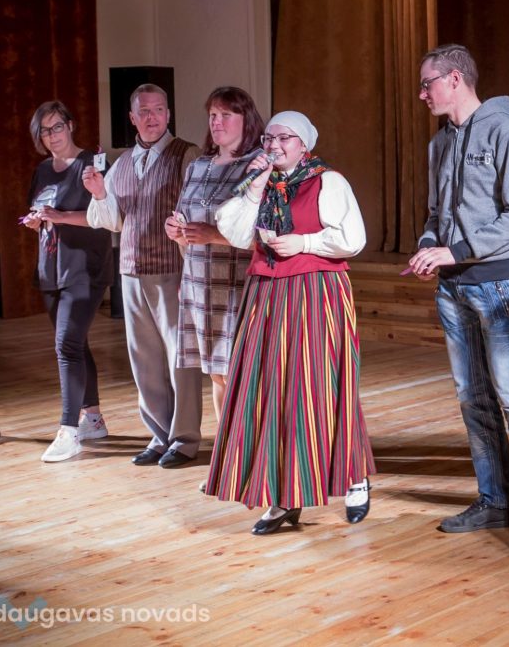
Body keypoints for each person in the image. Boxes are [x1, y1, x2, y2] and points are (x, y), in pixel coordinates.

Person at [407, 44, 509, 558]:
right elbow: (436, 214)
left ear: (455, 79)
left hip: (498, 286)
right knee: (472, 398)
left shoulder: (506, 132)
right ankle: (495, 502)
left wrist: (456, 250)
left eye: (428, 83)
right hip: (453, 286)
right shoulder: (439, 143)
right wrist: (429, 246)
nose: (422, 93)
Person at [206, 110, 374, 531]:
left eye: (285, 138)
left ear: (304, 145)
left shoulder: (327, 181)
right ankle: (283, 495)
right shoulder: (262, 184)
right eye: (269, 137)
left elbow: (353, 239)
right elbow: (235, 233)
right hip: (266, 293)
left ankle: (354, 476)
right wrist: (254, 186)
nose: (274, 145)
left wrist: (305, 242)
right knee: (270, 392)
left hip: (316, 291)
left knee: (322, 385)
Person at [83, 84, 204, 469]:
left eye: (159, 109)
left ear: (168, 114)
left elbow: (198, 209)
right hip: (131, 271)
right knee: (144, 360)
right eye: (144, 111)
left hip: (173, 269)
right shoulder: (121, 164)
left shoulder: (186, 154)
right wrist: (99, 193)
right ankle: (159, 434)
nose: (153, 117)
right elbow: (111, 221)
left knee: (180, 358)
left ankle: (185, 438)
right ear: (132, 118)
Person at [23, 101, 115, 462]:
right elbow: (41, 212)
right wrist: (37, 221)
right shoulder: (43, 170)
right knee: (76, 345)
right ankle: (93, 419)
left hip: (85, 268)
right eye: (44, 130)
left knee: (66, 345)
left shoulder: (92, 165)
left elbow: (102, 216)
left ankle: (68, 431)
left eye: (57, 127)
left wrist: (59, 216)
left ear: (71, 125)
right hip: (51, 267)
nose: (52, 135)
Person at [164, 87, 264, 420]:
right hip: (199, 283)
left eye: (226, 115)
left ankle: (245, 442)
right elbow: (185, 218)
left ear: (246, 119)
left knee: (237, 372)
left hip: (237, 283)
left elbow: (263, 235)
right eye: (212, 115)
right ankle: (225, 444)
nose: (217, 122)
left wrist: (214, 236)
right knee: (216, 373)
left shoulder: (257, 166)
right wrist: (176, 230)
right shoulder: (198, 166)